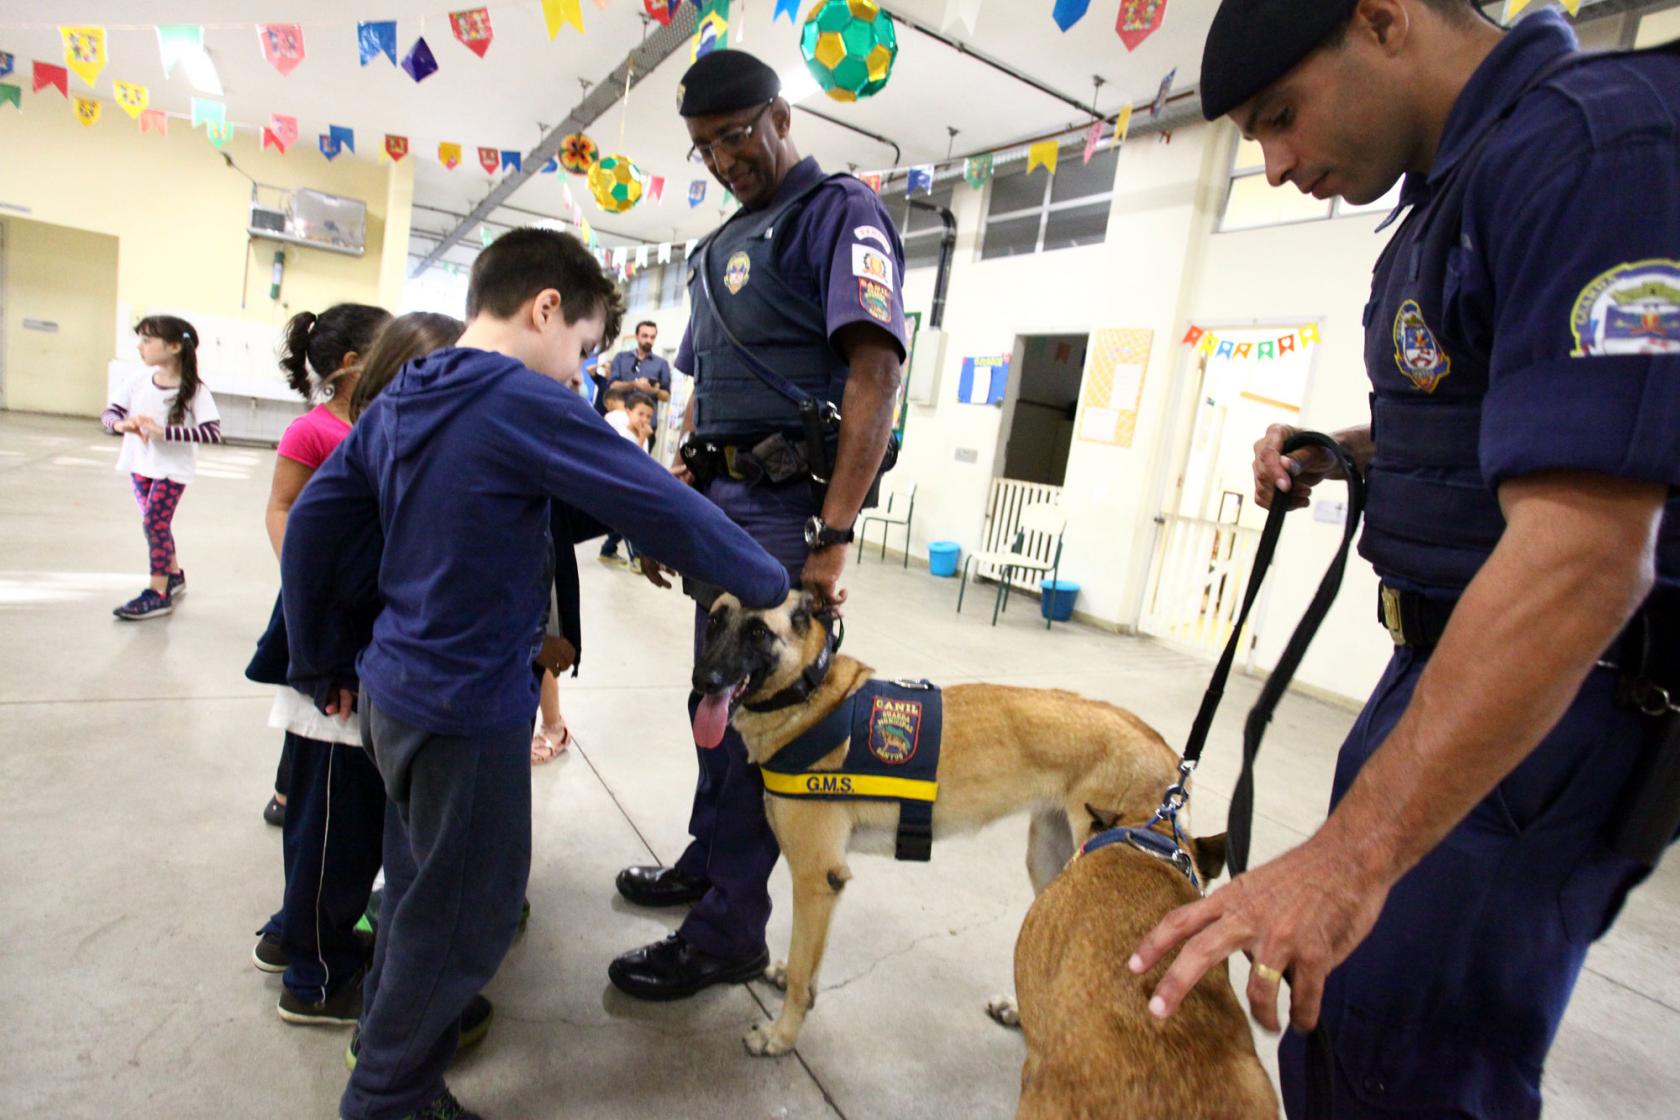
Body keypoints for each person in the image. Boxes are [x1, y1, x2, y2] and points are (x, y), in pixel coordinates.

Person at [1129, 3, 1680, 1117]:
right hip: (1428, 661)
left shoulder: (1586, 149)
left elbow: (1587, 549)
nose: (1276, 168)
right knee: (1340, 1024)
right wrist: (1346, 451)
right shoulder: (1458, 187)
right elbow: (1512, 404)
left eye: (1280, 120)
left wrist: (1352, 854)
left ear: (1381, 20)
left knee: (1408, 1063)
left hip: (1554, 697)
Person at [281, 227, 792, 1120]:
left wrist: (322, 652)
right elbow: (659, 504)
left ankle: (402, 1066)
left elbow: (318, 522)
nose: (580, 373)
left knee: (413, 897)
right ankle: (386, 1100)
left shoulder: (409, 390)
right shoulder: (521, 399)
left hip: (393, 694)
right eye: (586, 350)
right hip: (467, 707)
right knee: (466, 921)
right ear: (545, 308)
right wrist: (769, 582)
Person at [608, 48, 907, 1002]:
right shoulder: (717, 246)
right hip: (719, 510)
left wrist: (835, 529)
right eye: (703, 149)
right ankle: (708, 862)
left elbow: (875, 377)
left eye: (734, 137)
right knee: (713, 708)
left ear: (778, 116)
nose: (723, 160)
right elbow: (706, 396)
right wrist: (678, 497)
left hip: (787, 517)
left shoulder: (839, 215)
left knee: (760, 728)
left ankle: (730, 931)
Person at [247, 313, 462, 1033]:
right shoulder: (363, 457)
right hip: (335, 684)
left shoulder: (393, 449)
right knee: (335, 839)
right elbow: (304, 556)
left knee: (327, 833)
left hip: (353, 676)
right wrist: (320, 667)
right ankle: (317, 979)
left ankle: (292, 936)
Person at [260, 303, 392, 828]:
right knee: (313, 702)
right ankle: (289, 791)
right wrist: (301, 577)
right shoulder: (311, 431)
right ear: (355, 362)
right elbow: (281, 507)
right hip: (322, 590)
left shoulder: (384, 422)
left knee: (343, 706)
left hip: (364, 588)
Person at [101, 315, 221, 621]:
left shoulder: (195, 391)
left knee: (153, 523)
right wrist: (121, 424)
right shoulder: (138, 381)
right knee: (157, 524)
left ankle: (158, 593)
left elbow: (212, 432)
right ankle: (174, 574)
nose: (141, 347)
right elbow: (109, 413)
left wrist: (164, 432)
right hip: (139, 465)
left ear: (174, 347)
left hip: (172, 470)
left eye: (147, 340)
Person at [597, 391, 658, 567]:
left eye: (649, 416)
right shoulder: (623, 435)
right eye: (640, 414)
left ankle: (608, 549)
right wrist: (642, 438)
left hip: (635, 486)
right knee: (631, 523)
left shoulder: (642, 436)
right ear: (628, 412)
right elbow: (631, 462)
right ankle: (637, 558)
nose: (645, 420)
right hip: (621, 486)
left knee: (622, 523)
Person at [598, 319, 672, 415]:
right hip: (620, 418)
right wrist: (635, 384)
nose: (649, 340)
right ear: (636, 336)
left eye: (652, 337)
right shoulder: (621, 357)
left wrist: (654, 391)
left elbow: (666, 396)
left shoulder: (662, 364)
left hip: (645, 423)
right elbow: (613, 386)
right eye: (645, 336)